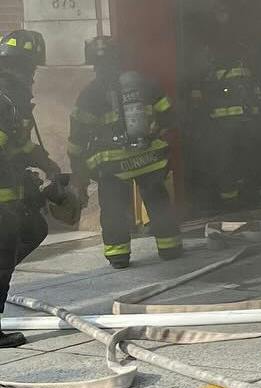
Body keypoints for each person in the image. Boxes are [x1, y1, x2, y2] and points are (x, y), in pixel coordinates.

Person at [69, 36, 181, 268]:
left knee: (114, 211)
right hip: (148, 158)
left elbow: (78, 135)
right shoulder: (144, 83)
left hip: (113, 164)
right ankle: (170, 248)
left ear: (93, 63)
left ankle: (118, 256)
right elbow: (169, 115)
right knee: (158, 203)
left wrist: (77, 166)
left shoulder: (90, 93)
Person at [0, 31, 66, 347]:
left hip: (9, 191)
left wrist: (47, 165)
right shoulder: (9, 92)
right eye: (33, 69)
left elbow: (18, 143)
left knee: (32, 229)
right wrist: (25, 180)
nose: (34, 76)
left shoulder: (8, 91)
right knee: (3, 256)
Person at [188, 2, 261, 208]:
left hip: (237, 119)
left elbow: (254, 82)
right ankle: (235, 201)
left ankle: (240, 199)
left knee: (237, 161)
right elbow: (198, 89)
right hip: (229, 120)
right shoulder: (212, 53)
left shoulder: (240, 50)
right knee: (231, 161)